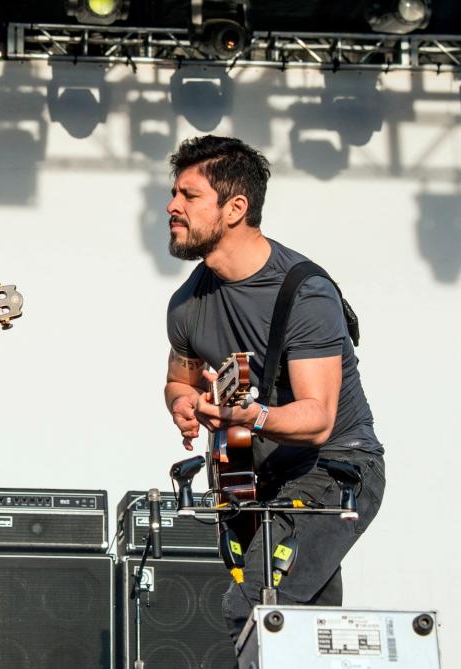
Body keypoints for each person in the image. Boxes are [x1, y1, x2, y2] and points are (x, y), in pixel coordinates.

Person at [162, 135, 385, 644]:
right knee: (311, 633)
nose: (172, 206)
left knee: (257, 610)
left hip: (335, 467)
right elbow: (180, 378)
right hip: (257, 478)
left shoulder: (304, 291)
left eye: (189, 196)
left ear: (235, 208)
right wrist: (184, 405)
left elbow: (317, 417)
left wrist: (247, 417)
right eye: (173, 193)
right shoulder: (186, 304)